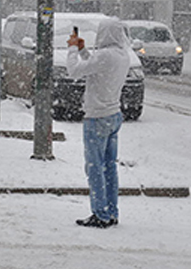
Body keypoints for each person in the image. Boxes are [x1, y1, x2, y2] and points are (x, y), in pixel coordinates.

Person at [66, 18, 130, 228]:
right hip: (114, 115)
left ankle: (100, 214)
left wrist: (73, 49)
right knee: (110, 168)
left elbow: (74, 70)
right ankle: (112, 211)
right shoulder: (121, 55)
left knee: (94, 168)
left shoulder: (105, 56)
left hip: (97, 117)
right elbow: (95, 68)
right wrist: (84, 50)